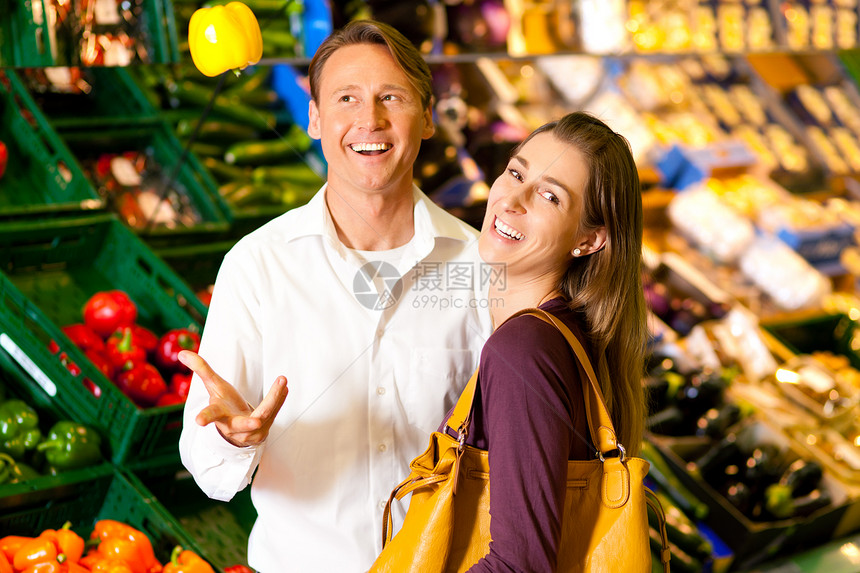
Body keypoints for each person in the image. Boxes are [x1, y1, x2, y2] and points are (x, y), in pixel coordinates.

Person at [177, 20, 493, 572]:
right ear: (315, 119)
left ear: (426, 119)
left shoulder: (480, 267)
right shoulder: (258, 266)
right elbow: (209, 473)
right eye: (347, 98)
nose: (368, 120)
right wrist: (234, 439)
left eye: (390, 97)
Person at [377, 111, 648, 571]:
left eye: (549, 195)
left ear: (589, 240)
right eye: (516, 172)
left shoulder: (522, 351)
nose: (512, 199)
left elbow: (518, 565)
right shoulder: (567, 332)